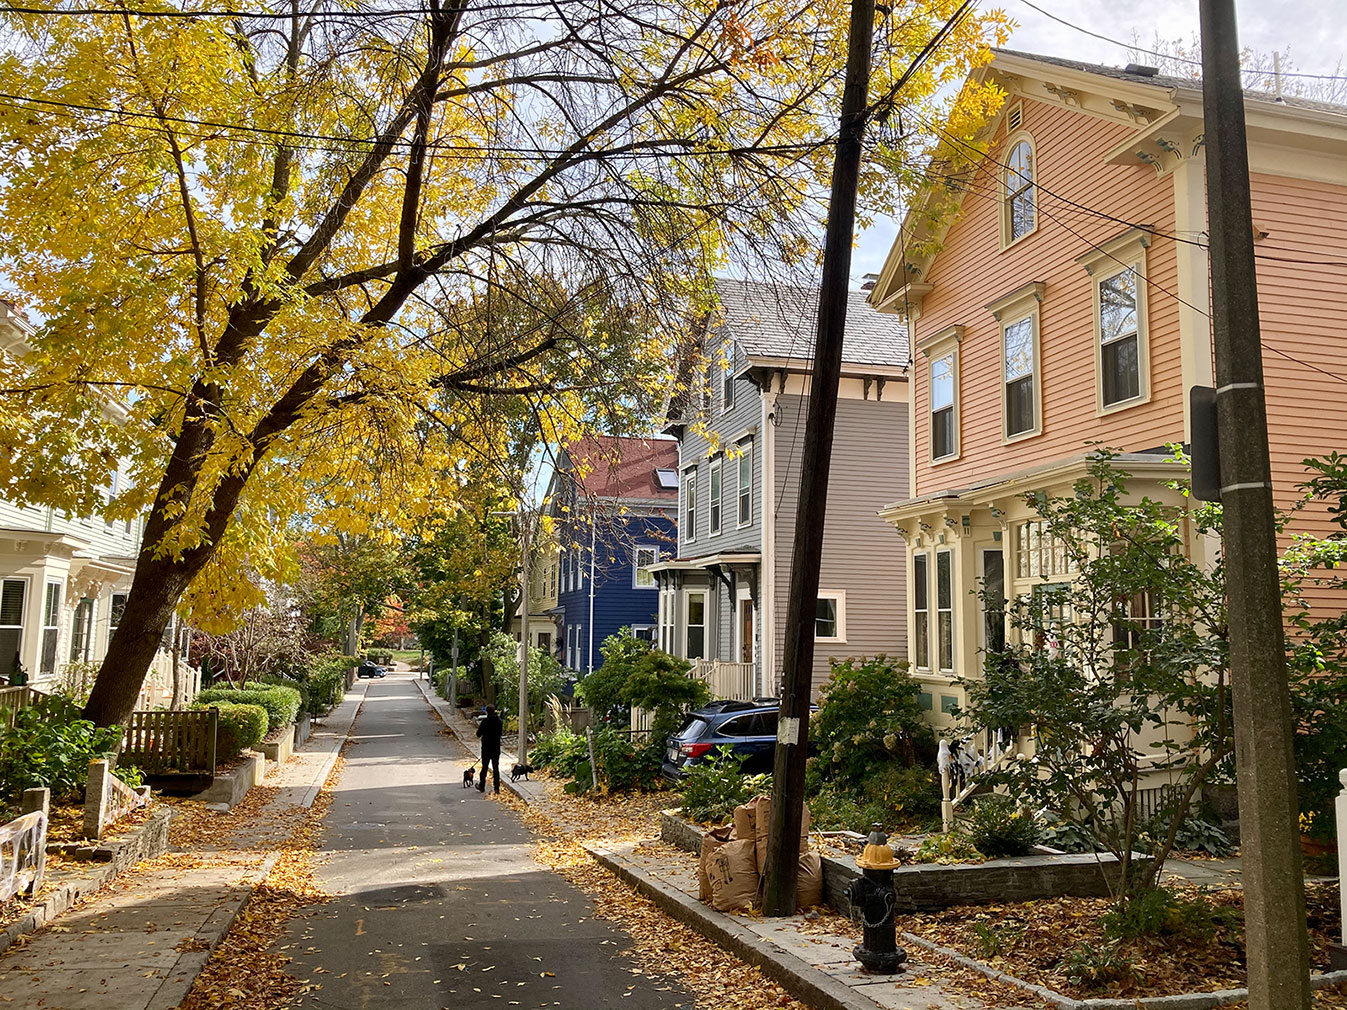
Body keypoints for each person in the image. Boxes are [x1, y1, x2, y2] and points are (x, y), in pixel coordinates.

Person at [475, 704, 503, 793]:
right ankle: (496, 788)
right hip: (496, 747)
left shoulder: (485, 722)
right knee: (495, 768)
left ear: (486, 712)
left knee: (485, 767)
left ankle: (482, 785)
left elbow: (478, 734)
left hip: (486, 748)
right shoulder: (499, 721)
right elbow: (500, 733)